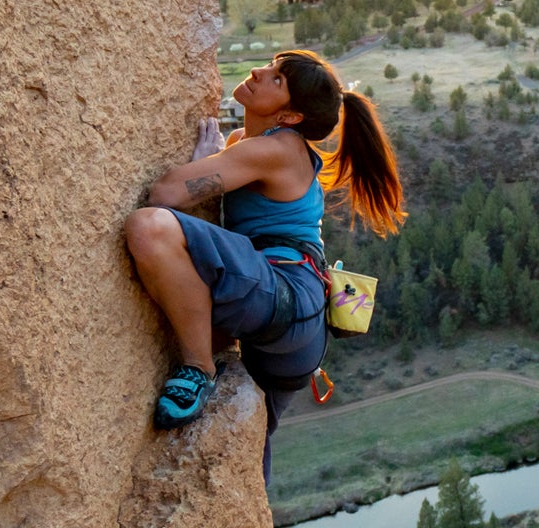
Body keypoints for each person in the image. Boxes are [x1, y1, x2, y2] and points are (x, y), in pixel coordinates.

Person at [126, 49, 404, 480]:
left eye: (276, 78)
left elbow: (164, 195)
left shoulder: (277, 150)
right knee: (249, 466)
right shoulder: (248, 146)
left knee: (149, 228)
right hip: (295, 326)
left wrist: (199, 169)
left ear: (291, 116)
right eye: (272, 67)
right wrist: (211, 165)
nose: (259, 72)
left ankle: (198, 369)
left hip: (286, 295)